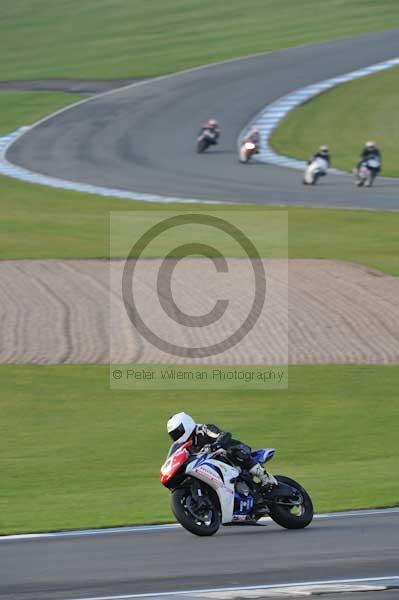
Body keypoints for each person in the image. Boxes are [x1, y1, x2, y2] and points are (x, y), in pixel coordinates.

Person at [166, 412, 276, 489]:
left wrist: (215, 445)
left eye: (177, 432)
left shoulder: (204, 429)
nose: (176, 436)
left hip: (233, 453)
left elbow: (224, 435)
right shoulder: (185, 446)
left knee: (232, 451)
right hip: (215, 467)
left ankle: (265, 477)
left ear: (186, 425)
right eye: (173, 434)